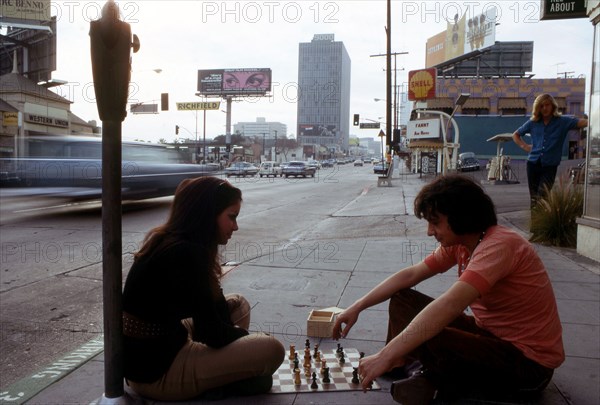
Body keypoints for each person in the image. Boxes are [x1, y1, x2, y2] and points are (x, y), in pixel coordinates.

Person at [332, 175, 564, 404]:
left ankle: (428, 377)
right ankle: (408, 365)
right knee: (403, 299)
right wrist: (357, 306)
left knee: (429, 331)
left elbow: (450, 304)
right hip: (491, 337)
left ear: (460, 217)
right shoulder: (464, 243)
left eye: (435, 222)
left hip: (528, 365)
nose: (430, 231)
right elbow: (411, 275)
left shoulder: (499, 246)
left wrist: (385, 353)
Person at [122, 176, 284, 401]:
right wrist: (248, 338)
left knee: (239, 304)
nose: (235, 226)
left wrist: (238, 342)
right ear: (208, 215)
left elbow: (213, 310)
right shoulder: (186, 253)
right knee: (271, 349)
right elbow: (213, 333)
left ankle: (222, 373)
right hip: (157, 373)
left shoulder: (176, 242)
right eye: (231, 217)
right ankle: (217, 382)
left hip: (161, 347)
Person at [512, 93, 587, 207]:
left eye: (547, 105)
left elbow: (581, 122)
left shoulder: (562, 122)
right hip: (532, 164)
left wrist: (594, 118)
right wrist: (525, 146)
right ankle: (535, 224)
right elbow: (516, 135)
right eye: (541, 106)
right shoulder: (533, 123)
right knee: (534, 198)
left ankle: (540, 223)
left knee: (543, 197)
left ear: (552, 106)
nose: (544, 108)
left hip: (549, 166)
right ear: (538, 108)